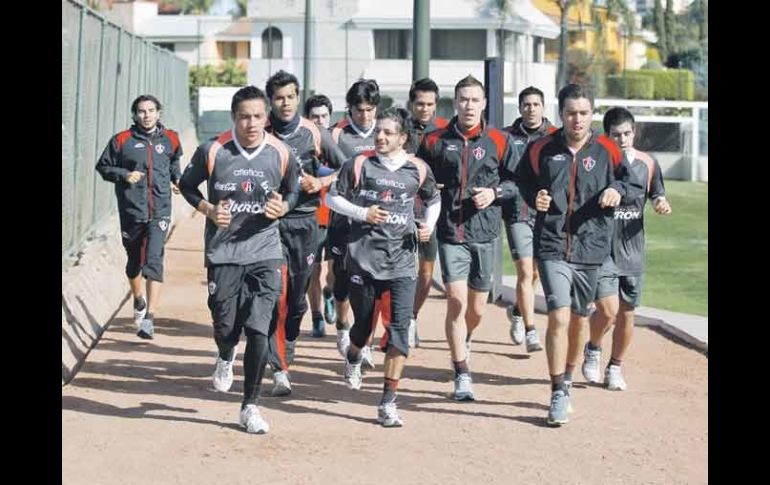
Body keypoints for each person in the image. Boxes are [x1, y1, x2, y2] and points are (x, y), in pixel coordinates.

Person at [513, 83, 638, 426]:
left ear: (591, 113)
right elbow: (522, 180)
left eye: (583, 113)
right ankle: (556, 391)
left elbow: (632, 183)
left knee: (580, 320)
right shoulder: (542, 148)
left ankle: (567, 376)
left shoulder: (609, 151)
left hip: (592, 248)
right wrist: (534, 196)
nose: (577, 119)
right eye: (571, 113)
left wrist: (616, 189)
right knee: (559, 315)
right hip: (552, 245)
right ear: (561, 114)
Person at [178, 85, 300, 434]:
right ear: (234, 117)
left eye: (258, 116)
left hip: (265, 249)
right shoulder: (213, 150)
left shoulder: (281, 151)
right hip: (223, 251)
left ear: (267, 118)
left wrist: (285, 206)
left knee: (260, 327)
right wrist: (208, 209)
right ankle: (225, 353)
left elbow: (293, 188)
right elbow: (186, 185)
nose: (251, 123)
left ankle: (250, 406)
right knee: (225, 324)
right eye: (244, 116)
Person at [326, 107, 440, 427]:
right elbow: (331, 199)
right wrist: (363, 214)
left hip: (403, 261)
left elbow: (433, 200)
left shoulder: (417, 169)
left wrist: (428, 225)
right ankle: (353, 355)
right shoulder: (359, 164)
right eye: (378, 131)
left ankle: (388, 401)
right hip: (363, 258)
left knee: (399, 333)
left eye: (389, 132)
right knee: (363, 326)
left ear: (403, 138)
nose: (380, 136)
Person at [417, 75, 522, 401]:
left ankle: (465, 339)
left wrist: (494, 193)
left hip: (486, 233)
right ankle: (462, 371)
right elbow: (419, 178)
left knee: (476, 309)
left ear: (484, 103)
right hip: (451, 233)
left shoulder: (500, 140)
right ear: (455, 102)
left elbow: (518, 183)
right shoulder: (434, 140)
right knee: (456, 303)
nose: (469, 105)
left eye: (475, 100)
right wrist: (427, 198)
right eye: (463, 99)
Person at [263, 71, 345, 396]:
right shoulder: (262, 131)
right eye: (279, 97)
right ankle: (279, 368)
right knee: (275, 295)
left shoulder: (314, 132)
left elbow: (348, 169)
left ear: (298, 98)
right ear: (271, 100)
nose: (285, 103)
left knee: (296, 299)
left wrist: (322, 182)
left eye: (290, 96)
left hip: (306, 221)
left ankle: (291, 336)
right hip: (270, 224)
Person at [580, 107, 672, 391]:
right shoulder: (595, 160)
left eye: (627, 133)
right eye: (616, 134)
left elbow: (656, 192)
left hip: (632, 250)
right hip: (602, 248)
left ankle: (616, 366)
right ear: (606, 135)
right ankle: (594, 347)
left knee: (628, 313)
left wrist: (659, 203)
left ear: (635, 132)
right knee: (607, 311)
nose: (622, 139)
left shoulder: (648, 162)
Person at [95, 94, 182, 340]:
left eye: (151, 110)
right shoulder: (122, 140)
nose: (147, 115)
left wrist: (177, 179)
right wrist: (124, 174)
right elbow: (103, 166)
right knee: (134, 262)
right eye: (142, 111)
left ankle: (149, 319)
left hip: (161, 210)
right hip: (132, 210)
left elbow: (174, 162)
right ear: (135, 115)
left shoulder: (171, 139)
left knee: (154, 260)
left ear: (158, 113)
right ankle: (138, 299)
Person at [327, 78, 380, 363]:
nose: (366, 116)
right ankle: (342, 326)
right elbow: (320, 164)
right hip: (342, 220)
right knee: (342, 280)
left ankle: (364, 340)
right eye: (360, 110)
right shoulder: (336, 134)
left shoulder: (385, 133)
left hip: (375, 223)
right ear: (350, 109)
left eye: (370, 110)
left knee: (370, 283)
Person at [502, 86, 557, 352]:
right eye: (526, 104)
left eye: (536, 104)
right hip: (518, 211)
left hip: (547, 213)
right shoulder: (505, 137)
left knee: (536, 271)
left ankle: (517, 311)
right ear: (520, 108)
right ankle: (531, 329)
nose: (531, 108)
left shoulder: (556, 136)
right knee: (525, 271)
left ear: (543, 107)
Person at [402, 77, 449, 349]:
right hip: (401, 210)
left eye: (430, 104)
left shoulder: (444, 131)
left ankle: (412, 317)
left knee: (427, 273)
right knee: (401, 270)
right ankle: (399, 319)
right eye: (420, 103)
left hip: (431, 210)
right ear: (412, 103)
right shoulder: (400, 129)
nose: (425, 109)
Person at [303, 94, 338, 334]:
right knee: (312, 270)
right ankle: (316, 317)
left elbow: (347, 168)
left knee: (335, 271)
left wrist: (325, 178)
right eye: (315, 116)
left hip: (337, 216)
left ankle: (330, 292)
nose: (320, 120)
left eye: (324, 116)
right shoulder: (302, 144)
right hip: (311, 217)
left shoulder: (336, 143)